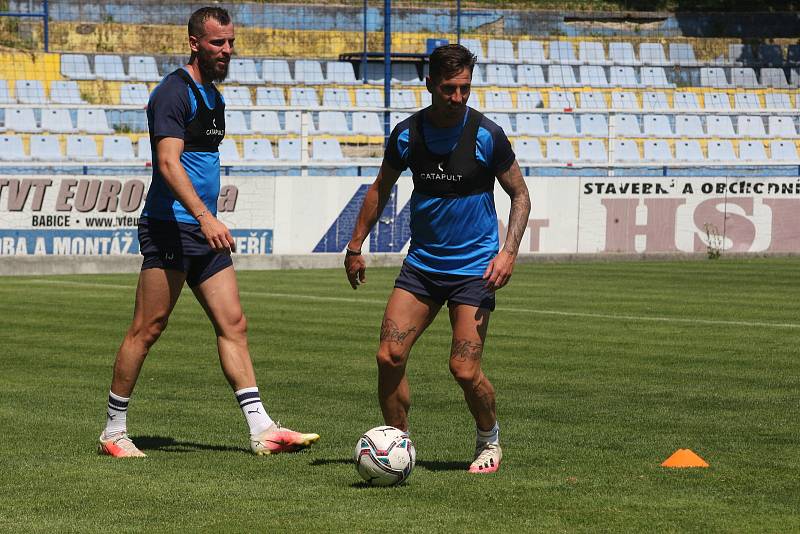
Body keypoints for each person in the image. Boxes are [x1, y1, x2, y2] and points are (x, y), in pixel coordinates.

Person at [98, 6, 319, 458]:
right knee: (148, 326)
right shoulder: (172, 94)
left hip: (200, 231)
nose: (227, 50)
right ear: (195, 42)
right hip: (169, 227)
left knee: (233, 323)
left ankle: (261, 429)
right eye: (218, 42)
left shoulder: (214, 97)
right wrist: (205, 216)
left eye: (232, 41)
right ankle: (113, 432)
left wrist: (206, 220)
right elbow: (167, 163)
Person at [343, 44, 531, 474]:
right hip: (423, 268)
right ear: (429, 84)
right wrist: (356, 246)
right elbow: (380, 189)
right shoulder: (408, 134)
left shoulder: (487, 135)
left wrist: (508, 253)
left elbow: (520, 195)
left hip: (474, 272)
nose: (458, 97)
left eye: (465, 87)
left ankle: (489, 440)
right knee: (388, 357)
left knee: (464, 369)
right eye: (449, 88)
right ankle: (398, 445)